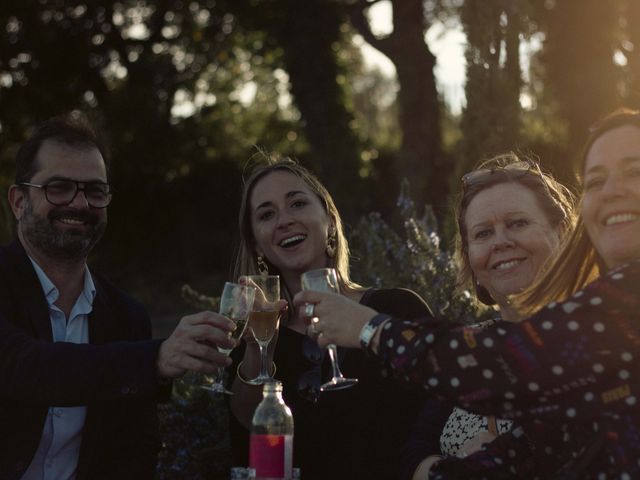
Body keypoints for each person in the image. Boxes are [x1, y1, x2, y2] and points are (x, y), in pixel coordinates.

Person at [294, 108, 640, 478]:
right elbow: (527, 454)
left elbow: (502, 367)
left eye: (634, 172)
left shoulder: (615, 312)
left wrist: (371, 328)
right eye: (596, 181)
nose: (613, 191)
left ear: (562, 231)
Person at [1, 114, 236, 480]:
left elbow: (136, 452)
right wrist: (155, 358)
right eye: (59, 187)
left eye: (95, 191)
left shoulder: (127, 317)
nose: (80, 204)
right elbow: (25, 368)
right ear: (18, 201)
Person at [228, 157, 433, 480]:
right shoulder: (256, 337)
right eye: (267, 214)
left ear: (330, 222)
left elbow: (439, 414)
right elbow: (249, 429)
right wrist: (257, 347)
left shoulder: (397, 308)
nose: (284, 220)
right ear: (257, 245)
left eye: (297, 203)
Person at [402, 153, 576, 479]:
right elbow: (413, 458)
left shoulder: (606, 336)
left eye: (517, 223)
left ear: (561, 233)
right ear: (472, 262)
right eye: (483, 233)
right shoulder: (464, 351)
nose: (501, 242)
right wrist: (452, 469)